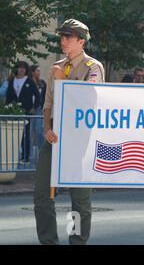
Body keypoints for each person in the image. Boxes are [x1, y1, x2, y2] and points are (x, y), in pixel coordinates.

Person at [33, 19, 105, 245]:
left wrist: (62, 78)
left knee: (80, 202)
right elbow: (48, 104)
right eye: (62, 36)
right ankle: (48, 241)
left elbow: (85, 99)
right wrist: (46, 128)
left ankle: (77, 241)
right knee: (42, 196)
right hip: (54, 138)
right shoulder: (56, 66)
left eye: (68, 37)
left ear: (81, 41)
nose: (63, 41)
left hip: (79, 141)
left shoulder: (93, 67)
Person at [6, 61, 40, 163]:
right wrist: (7, 109)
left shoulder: (29, 81)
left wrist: (34, 107)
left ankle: (26, 158)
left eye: (23, 68)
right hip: (14, 112)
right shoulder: (12, 81)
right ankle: (15, 156)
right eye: (19, 68)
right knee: (14, 134)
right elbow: (8, 97)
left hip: (26, 112)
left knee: (26, 134)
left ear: (26, 70)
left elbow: (38, 96)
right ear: (16, 69)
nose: (21, 70)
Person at [30, 65, 47, 150]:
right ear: (32, 72)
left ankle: (40, 149)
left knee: (39, 130)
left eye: (39, 71)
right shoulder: (28, 82)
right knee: (30, 131)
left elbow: (46, 95)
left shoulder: (42, 83)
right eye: (37, 71)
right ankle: (29, 151)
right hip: (30, 109)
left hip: (39, 108)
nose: (39, 73)